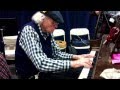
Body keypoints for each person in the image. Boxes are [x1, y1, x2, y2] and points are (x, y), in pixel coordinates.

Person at [15, 11, 94, 79]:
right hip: (32, 76)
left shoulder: (47, 32)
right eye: (53, 23)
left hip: (44, 73)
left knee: (83, 70)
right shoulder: (29, 31)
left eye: (57, 23)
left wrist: (77, 57)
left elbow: (56, 54)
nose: (56, 26)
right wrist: (74, 63)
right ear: (42, 18)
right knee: (78, 71)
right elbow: (41, 63)